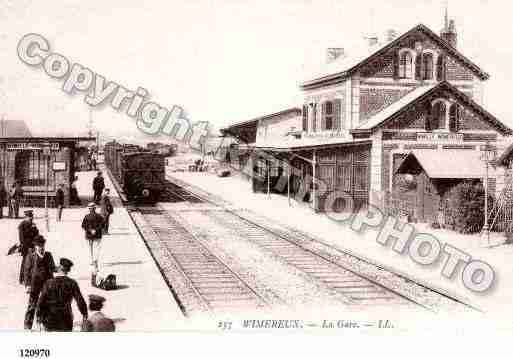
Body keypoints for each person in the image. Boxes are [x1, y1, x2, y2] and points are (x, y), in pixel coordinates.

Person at [36, 258, 88, 332]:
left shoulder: (48, 283)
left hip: (50, 319)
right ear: (68, 270)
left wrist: (38, 318)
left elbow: (41, 302)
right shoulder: (72, 283)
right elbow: (80, 301)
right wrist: (84, 314)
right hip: (66, 319)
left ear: (59, 268)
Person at [23, 235, 55, 330]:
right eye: (39, 245)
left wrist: (59, 269)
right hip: (34, 285)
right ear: (35, 246)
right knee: (32, 305)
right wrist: (28, 285)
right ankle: (27, 326)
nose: (41, 247)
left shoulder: (48, 255)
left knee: (46, 304)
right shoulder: (31, 256)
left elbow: (52, 268)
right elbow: (26, 271)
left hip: (46, 284)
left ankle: (43, 324)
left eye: (43, 245)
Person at [81, 203, 104, 286]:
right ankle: (95, 261)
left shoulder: (86, 217)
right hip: (97, 235)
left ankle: (91, 261)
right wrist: (96, 230)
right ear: (95, 208)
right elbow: (102, 225)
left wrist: (90, 230)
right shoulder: (99, 216)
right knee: (97, 248)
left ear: (89, 209)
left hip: (88, 235)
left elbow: (83, 226)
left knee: (89, 249)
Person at [18, 210, 39, 284]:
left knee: (32, 263)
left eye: (31, 217)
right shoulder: (22, 225)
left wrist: (36, 244)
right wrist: (26, 246)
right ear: (26, 217)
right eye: (29, 217)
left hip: (33, 246)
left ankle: (29, 278)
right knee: (25, 263)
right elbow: (21, 238)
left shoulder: (33, 225)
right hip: (26, 247)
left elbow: (37, 234)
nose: (31, 218)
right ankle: (22, 279)